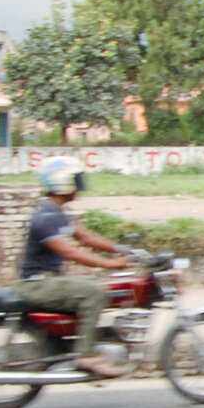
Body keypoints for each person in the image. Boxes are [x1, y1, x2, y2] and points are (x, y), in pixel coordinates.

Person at [20, 155, 135, 377]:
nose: (79, 185)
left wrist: (123, 250)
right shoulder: (46, 217)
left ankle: (81, 342)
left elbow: (86, 237)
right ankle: (85, 354)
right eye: (75, 179)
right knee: (94, 293)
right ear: (61, 182)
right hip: (37, 283)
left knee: (104, 286)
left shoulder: (56, 212)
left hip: (48, 280)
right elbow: (70, 251)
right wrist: (111, 264)